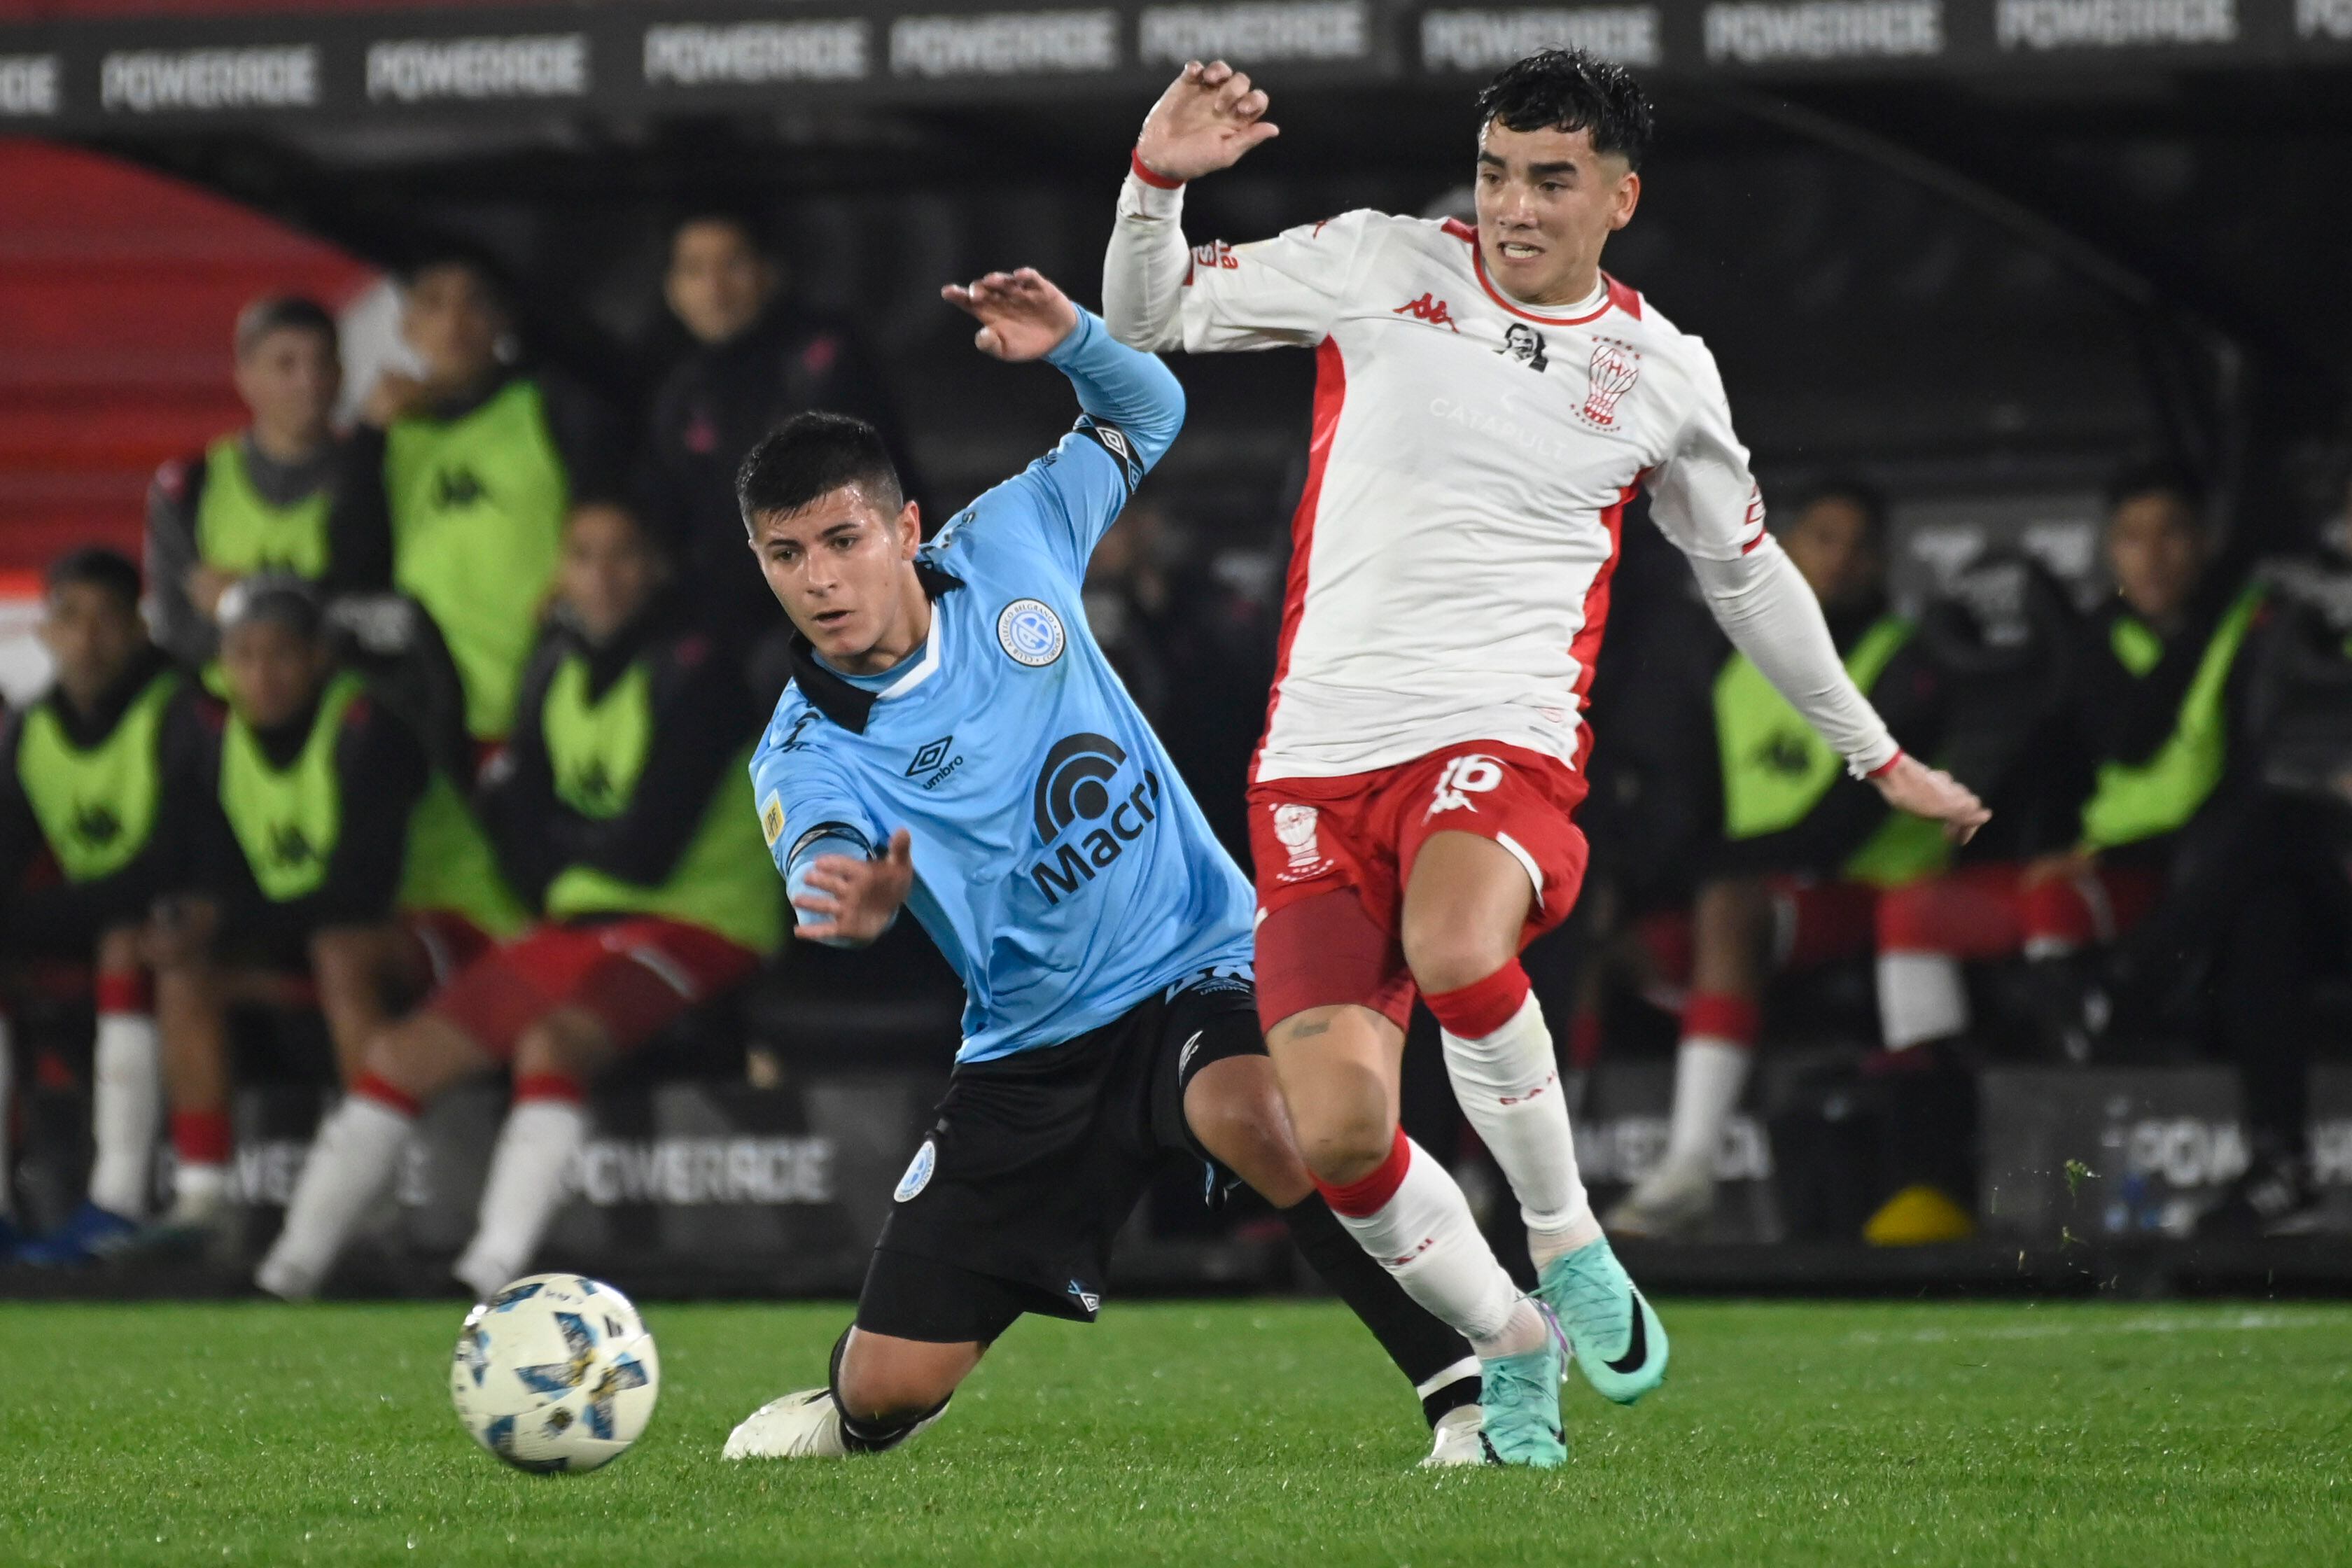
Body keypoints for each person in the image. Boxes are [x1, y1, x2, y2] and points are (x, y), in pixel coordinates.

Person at [1102, 50, 1987, 1464]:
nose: (1515, 204)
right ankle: (1506, 1332)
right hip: (1318, 762)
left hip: (1499, 741)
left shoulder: (1662, 374)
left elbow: (1749, 581)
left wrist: (1874, 757)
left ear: (1619, 197)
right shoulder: (1381, 264)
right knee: (1331, 1138)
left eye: (1553, 179)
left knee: (1460, 941)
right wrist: (1155, 181)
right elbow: (1144, 318)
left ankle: (1570, 1242)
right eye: (1499, 170)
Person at [720, 268, 1488, 1469]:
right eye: (784, 555)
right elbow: (821, 858)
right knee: (885, 1396)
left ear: (906, 529)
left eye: (841, 539)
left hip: (1196, 952)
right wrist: (856, 901)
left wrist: (1078, 340)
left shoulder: (1011, 543)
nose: (819, 578)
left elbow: (1148, 413)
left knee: (1265, 1118)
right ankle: (846, 1404)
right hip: (1028, 1045)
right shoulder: (803, 743)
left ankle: (1468, 1392)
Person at [255, 500, 777, 1301]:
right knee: (397, 1056)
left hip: (700, 919)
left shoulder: (697, 669)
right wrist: (570, 841)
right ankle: (286, 1276)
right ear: (560, 571)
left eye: (622, 555)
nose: (601, 577)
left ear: (656, 567)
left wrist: (563, 838)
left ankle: (486, 1272)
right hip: (579, 919)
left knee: (551, 1044)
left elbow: (646, 850)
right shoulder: (552, 663)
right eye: (583, 555)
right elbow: (522, 829)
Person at [1607, 482, 1950, 1240]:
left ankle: (1690, 1164)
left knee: (1727, 906)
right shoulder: (1735, 656)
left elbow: (1845, 823)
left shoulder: (1906, 657)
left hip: (1867, 892)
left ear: (1883, 561)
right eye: (1824, 538)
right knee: (1591, 942)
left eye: (1859, 545)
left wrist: (1716, 869)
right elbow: (1689, 803)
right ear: (1789, 546)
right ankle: (1520, 1179)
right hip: (1755, 892)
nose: (1841, 559)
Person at [142, 578, 525, 1234]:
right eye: (244, 656)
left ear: (319, 658)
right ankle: (200, 1201)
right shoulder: (214, 743)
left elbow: (359, 894)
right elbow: (207, 871)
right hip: (318, 936)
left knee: (342, 949)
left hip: (465, 938)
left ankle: (368, 1204)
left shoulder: (367, 728)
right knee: (185, 971)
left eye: (281, 654)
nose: (262, 675)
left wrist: (226, 920)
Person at [0, 550, 209, 1262]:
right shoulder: (32, 728)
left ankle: (117, 1199)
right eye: (70, 618)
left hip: (193, 917)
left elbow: (172, 860)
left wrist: (29, 920)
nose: (88, 638)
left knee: (128, 937)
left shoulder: (182, 709)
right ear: (46, 630)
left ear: (139, 628)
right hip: (92, 917)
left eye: (107, 620)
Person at [332, 251, 625, 748]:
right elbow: (352, 564)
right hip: (430, 708)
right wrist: (366, 437)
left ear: (503, 319)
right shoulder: (388, 436)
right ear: (407, 327)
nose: (454, 322)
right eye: (434, 304)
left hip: (553, 697)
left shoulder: (550, 406)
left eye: (474, 303)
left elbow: (612, 512)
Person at [641, 213, 923, 650]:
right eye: (695, 270)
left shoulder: (822, 360)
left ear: (768, 272)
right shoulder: (678, 392)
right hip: (730, 626)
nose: (715, 288)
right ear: (671, 290)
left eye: (731, 264)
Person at [147, 297, 356, 678]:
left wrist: (241, 597)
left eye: (322, 363)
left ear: (342, 375)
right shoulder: (191, 486)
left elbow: (375, 619)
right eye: (286, 364)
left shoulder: (374, 475)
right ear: (244, 377)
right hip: (223, 727)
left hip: (340, 722)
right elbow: (182, 634)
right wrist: (314, 606)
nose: (308, 382)